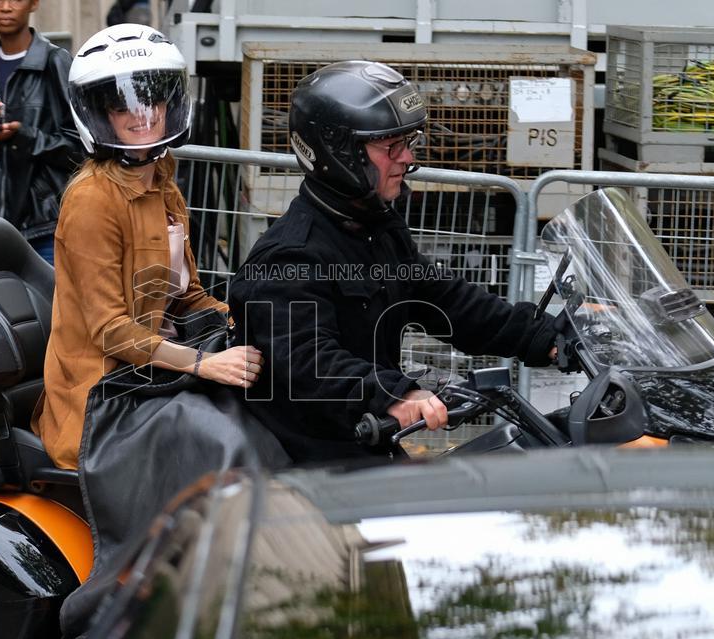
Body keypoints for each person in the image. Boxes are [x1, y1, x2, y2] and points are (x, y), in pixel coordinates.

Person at [228, 60, 562, 464]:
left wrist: (546, 339)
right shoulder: (288, 257)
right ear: (339, 154)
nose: (407, 158)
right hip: (311, 470)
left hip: (368, 450)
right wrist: (396, 394)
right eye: (391, 147)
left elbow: (444, 300)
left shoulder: (376, 229)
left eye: (410, 141)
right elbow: (305, 361)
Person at [33, 23, 263, 470]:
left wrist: (258, 328)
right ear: (98, 113)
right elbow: (111, 330)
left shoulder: (163, 185)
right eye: (122, 104)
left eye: (152, 98)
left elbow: (187, 297)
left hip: (149, 376)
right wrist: (202, 362)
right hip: (101, 396)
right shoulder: (92, 199)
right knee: (216, 448)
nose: (143, 114)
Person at [0, 0, 82, 264]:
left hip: (49, 227)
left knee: (51, 305)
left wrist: (22, 137)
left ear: (33, 4)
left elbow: (82, 149)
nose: (6, 7)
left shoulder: (55, 62)